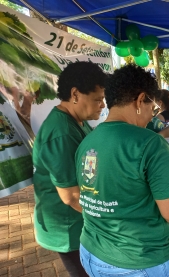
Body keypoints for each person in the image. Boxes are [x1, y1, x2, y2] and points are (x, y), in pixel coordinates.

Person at [76, 64, 169, 277]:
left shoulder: (87, 141)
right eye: (152, 108)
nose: (152, 115)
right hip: (137, 261)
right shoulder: (150, 144)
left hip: (92, 253)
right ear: (140, 100)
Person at [32, 61, 107, 277]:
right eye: (98, 99)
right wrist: (111, 220)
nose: (102, 105)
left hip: (79, 221)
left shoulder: (77, 121)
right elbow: (72, 197)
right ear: (75, 94)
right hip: (68, 227)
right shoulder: (62, 132)